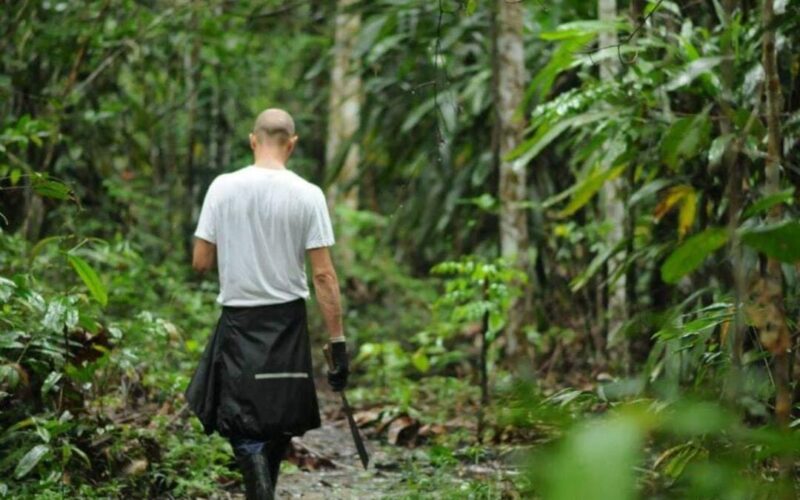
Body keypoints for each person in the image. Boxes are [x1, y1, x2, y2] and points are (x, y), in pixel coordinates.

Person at [185, 108, 350, 500]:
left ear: (252, 140)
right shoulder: (308, 194)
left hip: (240, 322)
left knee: (243, 422)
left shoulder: (223, 187)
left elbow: (201, 261)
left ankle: (260, 491)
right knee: (278, 418)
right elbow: (324, 276)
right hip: (287, 324)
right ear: (291, 144)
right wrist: (338, 343)